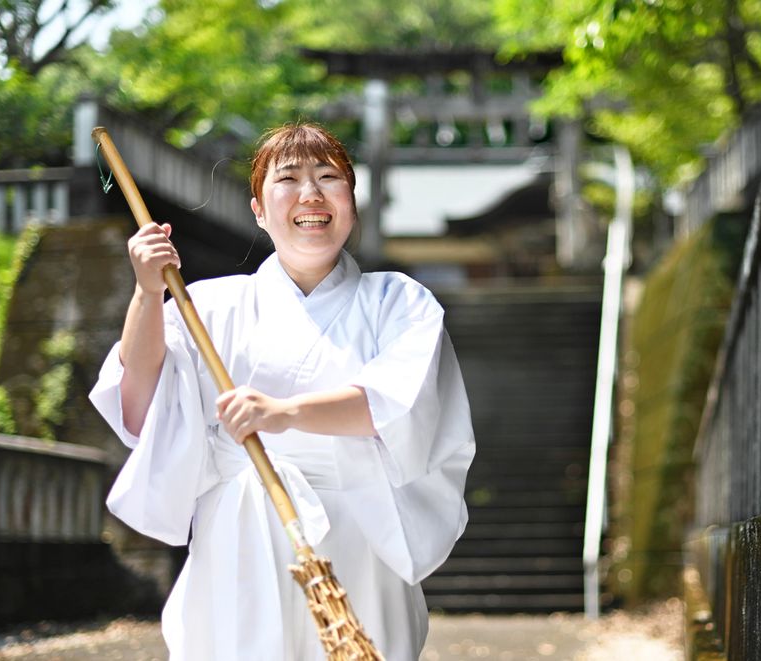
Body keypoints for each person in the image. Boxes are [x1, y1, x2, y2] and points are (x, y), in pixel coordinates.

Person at [89, 123, 475, 660]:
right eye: (288, 178)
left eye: (328, 177)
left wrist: (284, 412)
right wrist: (148, 294)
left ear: (351, 202)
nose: (310, 194)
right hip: (238, 540)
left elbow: (393, 403)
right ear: (258, 209)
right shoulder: (209, 306)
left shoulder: (399, 302)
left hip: (357, 538)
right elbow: (138, 408)